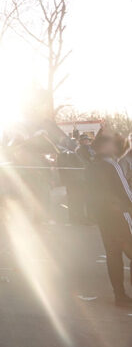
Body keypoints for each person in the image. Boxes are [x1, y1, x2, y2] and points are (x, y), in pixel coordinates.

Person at [86, 129, 132, 307]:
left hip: (103, 216)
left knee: (113, 255)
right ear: (105, 146)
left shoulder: (91, 166)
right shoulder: (112, 165)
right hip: (119, 214)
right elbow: (125, 191)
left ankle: (119, 294)